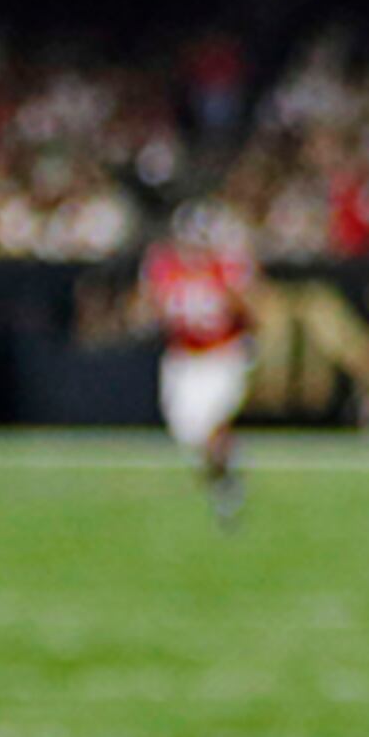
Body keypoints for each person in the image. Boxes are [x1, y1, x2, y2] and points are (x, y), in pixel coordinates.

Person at [142, 206, 261, 528]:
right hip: (183, 359)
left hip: (224, 354)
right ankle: (227, 474)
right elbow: (152, 307)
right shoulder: (165, 266)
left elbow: (251, 310)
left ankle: (226, 479)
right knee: (187, 434)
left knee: (210, 429)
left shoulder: (226, 266)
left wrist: (225, 288)